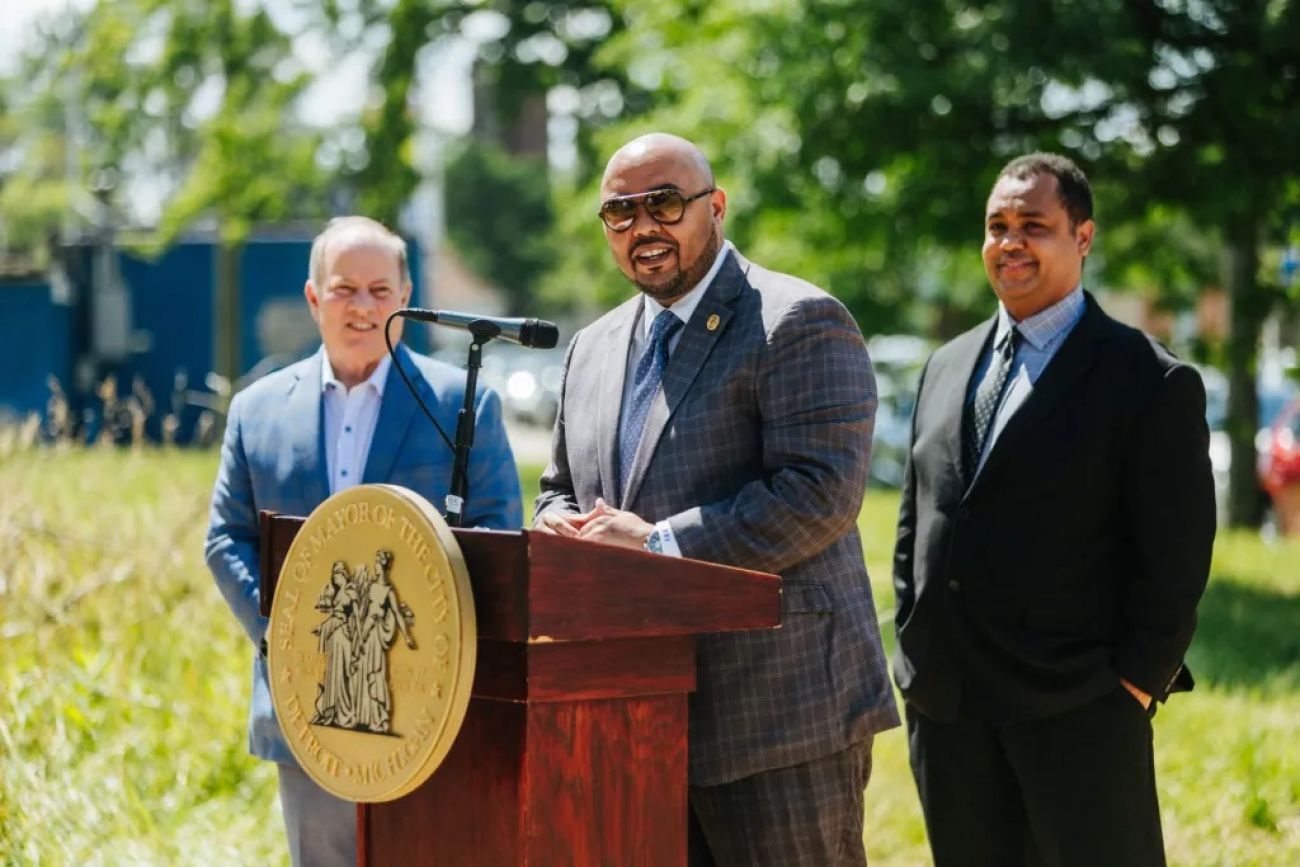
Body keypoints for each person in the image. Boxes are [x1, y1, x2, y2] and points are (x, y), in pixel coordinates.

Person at [534, 133, 899, 866]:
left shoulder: (798, 320)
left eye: (665, 203)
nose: (644, 227)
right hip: (634, 718)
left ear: (716, 206)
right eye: (620, 211)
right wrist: (558, 527)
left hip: (778, 718)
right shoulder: (592, 347)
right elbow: (558, 488)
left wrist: (660, 546)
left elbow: (819, 493)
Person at [892, 153, 1216, 866]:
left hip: (1079, 711)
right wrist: (916, 653)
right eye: (996, 226)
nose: (1010, 242)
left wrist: (1133, 684)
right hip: (950, 714)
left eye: (1033, 226)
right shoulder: (946, 364)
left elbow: (1176, 557)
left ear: (1084, 237)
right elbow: (920, 518)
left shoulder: (1148, 379)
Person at [204, 216, 522, 867]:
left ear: (406, 294)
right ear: (314, 297)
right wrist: (286, 634)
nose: (365, 306)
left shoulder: (462, 402)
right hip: (306, 714)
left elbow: (501, 537)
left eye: (382, 290)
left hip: (430, 712)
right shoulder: (256, 409)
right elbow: (225, 537)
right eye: (346, 289)